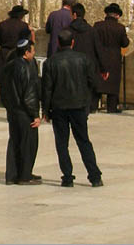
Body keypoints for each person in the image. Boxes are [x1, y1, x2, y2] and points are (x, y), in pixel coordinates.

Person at [42, 29, 103, 188]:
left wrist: (45, 110)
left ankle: (67, 176)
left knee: (62, 143)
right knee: (83, 141)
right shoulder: (84, 59)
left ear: (58, 43)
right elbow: (93, 82)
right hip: (79, 106)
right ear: (73, 42)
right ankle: (95, 176)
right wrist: (88, 101)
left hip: (59, 107)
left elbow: (47, 88)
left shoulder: (51, 62)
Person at [0, 39, 41, 185]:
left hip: (13, 111)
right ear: (26, 52)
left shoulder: (9, 66)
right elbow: (29, 95)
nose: (34, 53)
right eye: (33, 51)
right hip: (24, 112)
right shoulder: (26, 68)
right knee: (28, 143)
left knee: (15, 142)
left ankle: (12, 175)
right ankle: (24, 176)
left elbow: (3, 91)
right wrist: (35, 115)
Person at [93, 3, 130, 113]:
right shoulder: (120, 28)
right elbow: (125, 43)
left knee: (98, 83)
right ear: (117, 16)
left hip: (99, 57)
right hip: (114, 59)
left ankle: (93, 106)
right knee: (113, 84)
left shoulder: (97, 25)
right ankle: (111, 107)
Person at [66, 3, 102, 113]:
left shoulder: (68, 30)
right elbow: (98, 49)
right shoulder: (91, 30)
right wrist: (103, 67)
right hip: (88, 64)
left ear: (75, 15)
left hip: (71, 64)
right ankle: (89, 108)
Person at [0, 5, 34, 85]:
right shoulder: (23, 26)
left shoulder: (3, 24)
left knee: (4, 79)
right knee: (16, 80)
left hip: (4, 53)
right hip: (18, 54)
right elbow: (26, 42)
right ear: (20, 15)